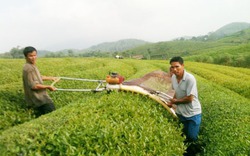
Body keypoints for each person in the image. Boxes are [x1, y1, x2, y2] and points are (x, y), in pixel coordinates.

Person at [167, 56, 202, 155]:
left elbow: (189, 98)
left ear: (182, 65)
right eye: (172, 67)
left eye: (177, 67)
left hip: (192, 113)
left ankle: (193, 153)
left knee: (192, 137)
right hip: (181, 113)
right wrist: (172, 102)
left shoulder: (190, 79)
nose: (174, 69)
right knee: (183, 136)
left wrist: (175, 102)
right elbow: (176, 92)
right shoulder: (173, 77)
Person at [22, 46, 58, 117]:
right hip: (39, 99)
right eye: (31, 56)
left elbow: (38, 77)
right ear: (26, 57)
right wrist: (48, 87)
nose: (33, 57)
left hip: (40, 98)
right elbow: (34, 86)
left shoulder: (32, 66)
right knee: (52, 116)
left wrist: (51, 78)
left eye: (35, 55)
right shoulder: (29, 68)